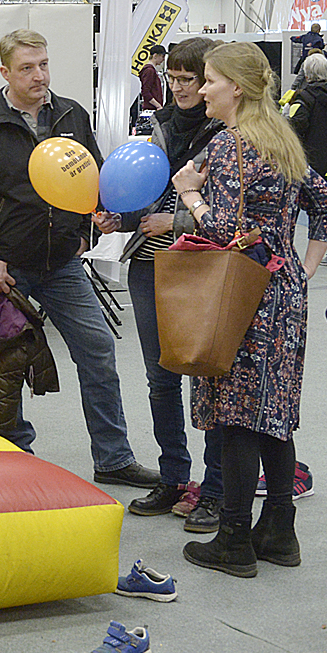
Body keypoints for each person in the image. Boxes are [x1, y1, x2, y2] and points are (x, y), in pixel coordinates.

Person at [0, 29, 157, 487]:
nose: (39, 75)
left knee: (98, 350)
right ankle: (15, 457)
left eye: (43, 65)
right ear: (5, 72)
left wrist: (86, 231)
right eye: (27, 68)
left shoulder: (71, 115)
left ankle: (113, 458)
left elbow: (93, 180)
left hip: (62, 265)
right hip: (6, 270)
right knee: (7, 366)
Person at [168, 42, 327, 577]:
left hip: (242, 294)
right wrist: (304, 267)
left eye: (210, 80)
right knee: (275, 411)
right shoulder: (281, 138)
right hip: (284, 291)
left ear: (235, 88)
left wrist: (190, 196)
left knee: (237, 415)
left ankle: (234, 538)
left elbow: (225, 230)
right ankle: (280, 530)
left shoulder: (229, 146)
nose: (203, 89)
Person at [119, 38, 226, 522]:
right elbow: (145, 191)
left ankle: (215, 488)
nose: (180, 88)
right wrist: (119, 218)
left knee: (210, 378)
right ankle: (173, 477)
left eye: (190, 79)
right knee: (160, 378)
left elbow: (233, 212)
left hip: (202, 265)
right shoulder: (158, 124)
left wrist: (175, 223)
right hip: (150, 265)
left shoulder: (229, 131)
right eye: (174, 78)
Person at [288, 53, 327, 268]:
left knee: (292, 206)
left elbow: (296, 128)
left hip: (309, 162)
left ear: (306, 73)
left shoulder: (304, 98)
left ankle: (285, 248)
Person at [138, 44, 167, 116]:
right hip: (151, 109)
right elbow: (145, 92)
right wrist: (158, 106)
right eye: (162, 56)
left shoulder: (150, 70)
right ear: (155, 56)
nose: (163, 59)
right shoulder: (149, 71)